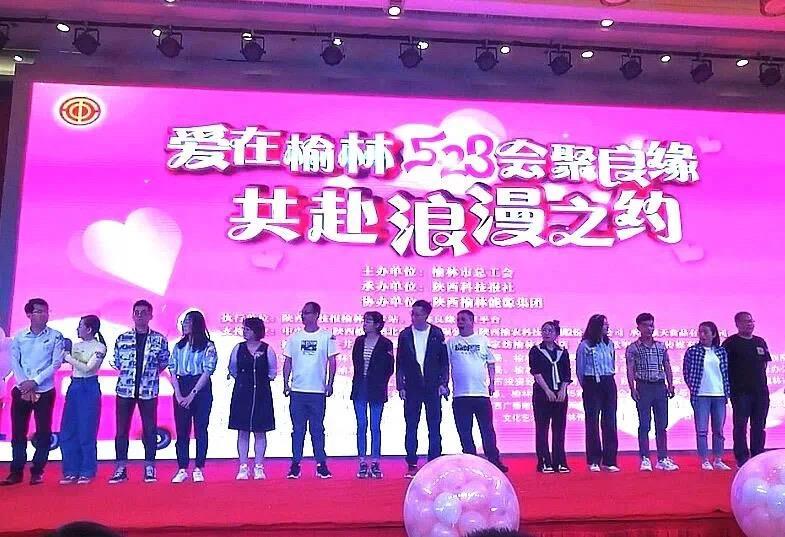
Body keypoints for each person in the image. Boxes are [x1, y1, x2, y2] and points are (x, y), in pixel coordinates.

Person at [1, 298, 66, 486]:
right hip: (21, 389)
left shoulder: (56, 336)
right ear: (29, 314)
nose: (44, 315)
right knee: (18, 432)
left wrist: (35, 382)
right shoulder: (19, 337)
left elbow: (55, 363)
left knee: (43, 432)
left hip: (44, 390)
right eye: (39, 311)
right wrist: (24, 383)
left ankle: (37, 471)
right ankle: (16, 472)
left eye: (46, 311)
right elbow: (15, 362)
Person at [108, 300, 170, 484]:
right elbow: (117, 362)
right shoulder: (123, 338)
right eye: (137, 312)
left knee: (150, 430)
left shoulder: (159, 339)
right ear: (132, 315)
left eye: (144, 312)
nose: (140, 315)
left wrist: (148, 375)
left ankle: (150, 468)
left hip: (148, 390)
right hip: (125, 390)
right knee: (121, 430)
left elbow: (163, 362)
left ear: (151, 315)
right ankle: (120, 468)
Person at [447, 310, 507, 473]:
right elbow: (445, 365)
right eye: (458, 319)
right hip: (460, 395)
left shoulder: (482, 340)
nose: (460, 322)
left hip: (481, 394)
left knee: (487, 429)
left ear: (472, 322)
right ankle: (470, 462)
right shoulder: (451, 342)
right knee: (464, 431)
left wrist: (492, 383)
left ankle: (494, 460)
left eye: (463, 319)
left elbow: (491, 363)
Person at [283, 301, 338, 479]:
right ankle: (295, 464)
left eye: (307, 313)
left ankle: (321, 464)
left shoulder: (327, 336)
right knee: (298, 430)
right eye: (302, 312)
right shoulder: (294, 337)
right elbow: (288, 361)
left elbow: (332, 361)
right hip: (298, 391)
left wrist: (330, 383)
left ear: (316, 315)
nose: (303, 315)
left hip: (317, 391)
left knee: (317, 429)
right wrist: (285, 383)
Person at [396, 299, 449, 478]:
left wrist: (443, 383)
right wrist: (401, 385)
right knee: (411, 426)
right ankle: (411, 463)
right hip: (412, 387)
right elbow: (400, 362)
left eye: (418, 314)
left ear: (426, 315)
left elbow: (444, 362)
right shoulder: (405, 335)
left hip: (432, 387)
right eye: (412, 314)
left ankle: (434, 462)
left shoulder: (436, 333)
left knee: (434, 426)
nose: (414, 317)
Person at [625, 313, 678, 472]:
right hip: (643, 387)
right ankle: (645, 458)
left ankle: (662, 458)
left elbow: (667, 365)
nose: (649, 328)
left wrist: (671, 384)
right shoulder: (633, 348)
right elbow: (630, 369)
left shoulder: (660, 346)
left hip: (660, 387)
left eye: (651, 325)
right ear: (639, 327)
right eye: (646, 325)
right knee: (644, 424)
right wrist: (632, 388)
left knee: (662, 425)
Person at [169, 310, 217, 483]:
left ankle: (199, 467)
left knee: (201, 429)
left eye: (188, 322)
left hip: (201, 388)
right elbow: (172, 369)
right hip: (181, 385)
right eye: (184, 322)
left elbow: (207, 371)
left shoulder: (208, 346)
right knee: (182, 430)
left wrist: (192, 394)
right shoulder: (178, 346)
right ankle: (182, 467)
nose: (184, 325)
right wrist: (178, 393)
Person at [59, 315, 107, 485]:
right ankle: (70, 470)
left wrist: (68, 357)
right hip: (75, 386)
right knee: (68, 429)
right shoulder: (75, 346)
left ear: (89, 329)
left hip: (89, 386)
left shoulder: (99, 347)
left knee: (87, 430)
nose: (77, 329)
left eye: (80, 326)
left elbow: (88, 368)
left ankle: (87, 470)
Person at [228, 317, 277, 480]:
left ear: (256, 331)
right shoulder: (238, 348)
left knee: (260, 431)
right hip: (242, 393)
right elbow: (233, 369)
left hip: (262, 394)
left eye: (247, 329)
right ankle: (243, 466)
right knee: (242, 430)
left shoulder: (267, 349)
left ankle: (258, 466)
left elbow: (272, 372)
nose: (244, 331)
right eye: (244, 329)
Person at [723, 311, 771, 467]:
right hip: (740, 392)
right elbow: (724, 367)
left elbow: (764, 363)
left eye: (751, 321)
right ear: (737, 324)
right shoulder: (730, 343)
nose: (750, 324)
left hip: (760, 391)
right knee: (740, 426)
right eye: (746, 321)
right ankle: (742, 458)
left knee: (759, 425)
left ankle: (758, 456)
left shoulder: (760, 341)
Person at [350, 311, 394, 479]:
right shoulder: (359, 341)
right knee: (361, 424)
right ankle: (362, 461)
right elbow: (356, 362)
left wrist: (380, 382)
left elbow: (389, 367)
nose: (365, 324)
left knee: (375, 426)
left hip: (377, 388)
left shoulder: (386, 343)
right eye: (365, 321)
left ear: (377, 324)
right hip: (360, 386)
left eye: (368, 321)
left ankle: (375, 462)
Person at [683, 321, 731, 470]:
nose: (702, 335)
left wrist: (726, 392)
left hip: (719, 394)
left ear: (714, 334)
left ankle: (718, 459)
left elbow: (726, 373)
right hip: (701, 395)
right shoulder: (692, 351)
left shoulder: (721, 351)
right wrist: (693, 387)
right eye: (700, 332)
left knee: (718, 430)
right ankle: (704, 460)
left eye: (705, 332)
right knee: (702, 430)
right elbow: (686, 372)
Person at [576, 313, 619, 472]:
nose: (607, 327)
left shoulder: (609, 344)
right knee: (592, 422)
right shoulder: (585, 345)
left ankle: (609, 460)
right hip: (592, 383)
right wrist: (587, 386)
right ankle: (594, 460)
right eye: (604, 324)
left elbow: (612, 363)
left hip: (608, 382)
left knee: (610, 421)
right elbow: (580, 369)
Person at [528, 320, 571, 473]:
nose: (546, 333)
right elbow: (536, 372)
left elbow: (567, 373)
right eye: (544, 330)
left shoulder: (562, 352)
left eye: (550, 330)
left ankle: (560, 462)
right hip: (542, 394)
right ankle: (544, 461)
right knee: (542, 429)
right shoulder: (536, 350)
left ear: (556, 334)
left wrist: (563, 390)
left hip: (560, 395)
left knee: (559, 429)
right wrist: (547, 390)